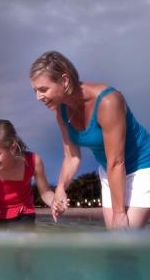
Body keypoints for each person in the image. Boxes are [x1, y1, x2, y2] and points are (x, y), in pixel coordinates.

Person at [29, 51, 150, 230]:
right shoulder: (61, 113)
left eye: (43, 89)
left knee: (124, 237)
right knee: (118, 245)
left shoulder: (108, 101)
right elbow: (71, 156)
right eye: (35, 91)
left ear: (64, 80)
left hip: (141, 167)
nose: (38, 97)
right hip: (110, 172)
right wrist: (61, 188)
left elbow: (117, 161)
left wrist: (119, 213)